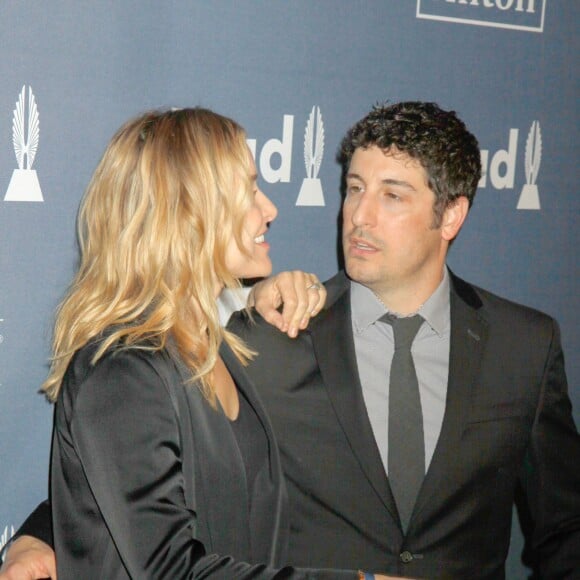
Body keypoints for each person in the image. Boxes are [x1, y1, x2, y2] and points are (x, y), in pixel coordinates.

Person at [3, 102, 580, 578]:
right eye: (354, 188)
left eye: (393, 195)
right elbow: (133, 482)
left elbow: (566, 528)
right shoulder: (269, 338)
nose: (359, 216)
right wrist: (41, 537)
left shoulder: (524, 346)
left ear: (451, 215)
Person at [1, 107, 389, 579]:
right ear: (186, 213)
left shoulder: (214, 346)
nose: (270, 209)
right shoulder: (123, 370)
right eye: (247, 190)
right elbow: (170, 571)